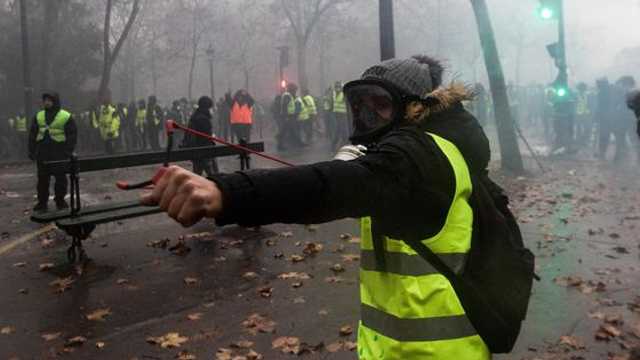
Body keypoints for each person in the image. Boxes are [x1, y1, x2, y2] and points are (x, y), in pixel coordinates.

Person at [142, 56, 492, 359]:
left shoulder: (417, 159)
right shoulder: (415, 153)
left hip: (437, 353)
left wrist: (227, 193)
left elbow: (335, 186)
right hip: (397, 348)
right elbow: (356, 181)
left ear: (414, 108)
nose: (369, 115)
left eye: (381, 105)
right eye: (361, 105)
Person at [28, 92, 77, 212]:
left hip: (59, 152)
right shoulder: (38, 116)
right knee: (42, 179)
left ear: (55, 101)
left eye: (49, 100)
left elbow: (72, 135)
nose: (46, 102)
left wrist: (67, 151)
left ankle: (60, 200)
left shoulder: (65, 116)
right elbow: (33, 134)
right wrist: (32, 150)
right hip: (43, 153)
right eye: (45, 100)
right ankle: (42, 202)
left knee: (60, 179)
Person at [181, 96, 218, 177]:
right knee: (214, 175)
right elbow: (206, 137)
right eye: (210, 108)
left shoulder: (195, 116)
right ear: (207, 107)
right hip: (205, 151)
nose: (211, 110)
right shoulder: (203, 119)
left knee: (197, 175)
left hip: (196, 150)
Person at [331, 81, 348, 149]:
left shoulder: (344, 94)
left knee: (341, 129)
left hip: (343, 114)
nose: (337, 88)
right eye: (336, 87)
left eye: (338, 87)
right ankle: (342, 143)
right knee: (340, 129)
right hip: (336, 114)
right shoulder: (334, 93)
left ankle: (340, 143)